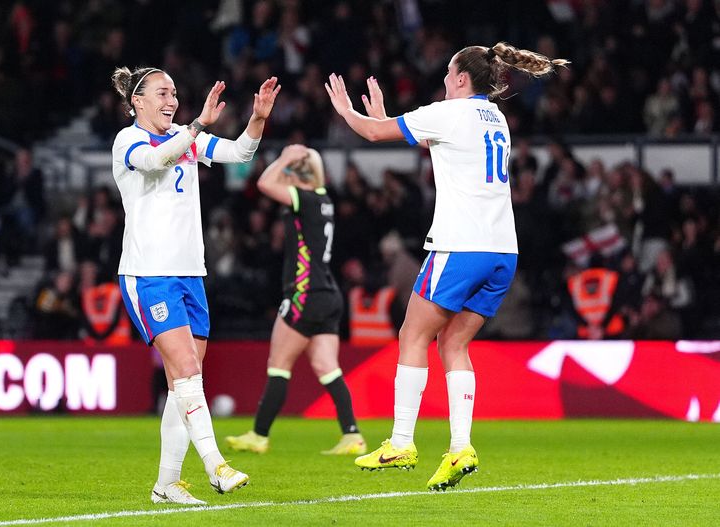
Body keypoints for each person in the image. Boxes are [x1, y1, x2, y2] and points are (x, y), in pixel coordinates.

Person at [325, 42, 567, 490]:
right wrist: (383, 115)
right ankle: (460, 448)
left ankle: (400, 441)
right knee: (453, 344)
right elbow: (433, 140)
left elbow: (376, 136)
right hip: (501, 252)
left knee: (411, 335)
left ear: (460, 78)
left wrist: (347, 113)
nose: (442, 80)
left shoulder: (448, 112)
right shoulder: (496, 118)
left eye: (447, 73)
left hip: (461, 246)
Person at [110, 66, 280, 505]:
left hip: (190, 273)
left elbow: (241, 154)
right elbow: (155, 161)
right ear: (138, 102)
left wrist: (257, 119)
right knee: (186, 371)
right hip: (149, 273)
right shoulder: (129, 140)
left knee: (183, 382)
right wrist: (197, 125)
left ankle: (167, 483)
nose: (171, 100)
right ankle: (215, 465)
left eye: (175, 93)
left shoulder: (188, 139)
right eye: (162, 93)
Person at [225, 144, 366, 456]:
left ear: (293, 174)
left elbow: (264, 184)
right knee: (326, 365)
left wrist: (283, 157)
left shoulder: (307, 198)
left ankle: (259, 435)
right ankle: (352, 434)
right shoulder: (325, 200)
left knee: (279, 364)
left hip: (305, 292)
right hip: (328, 293)